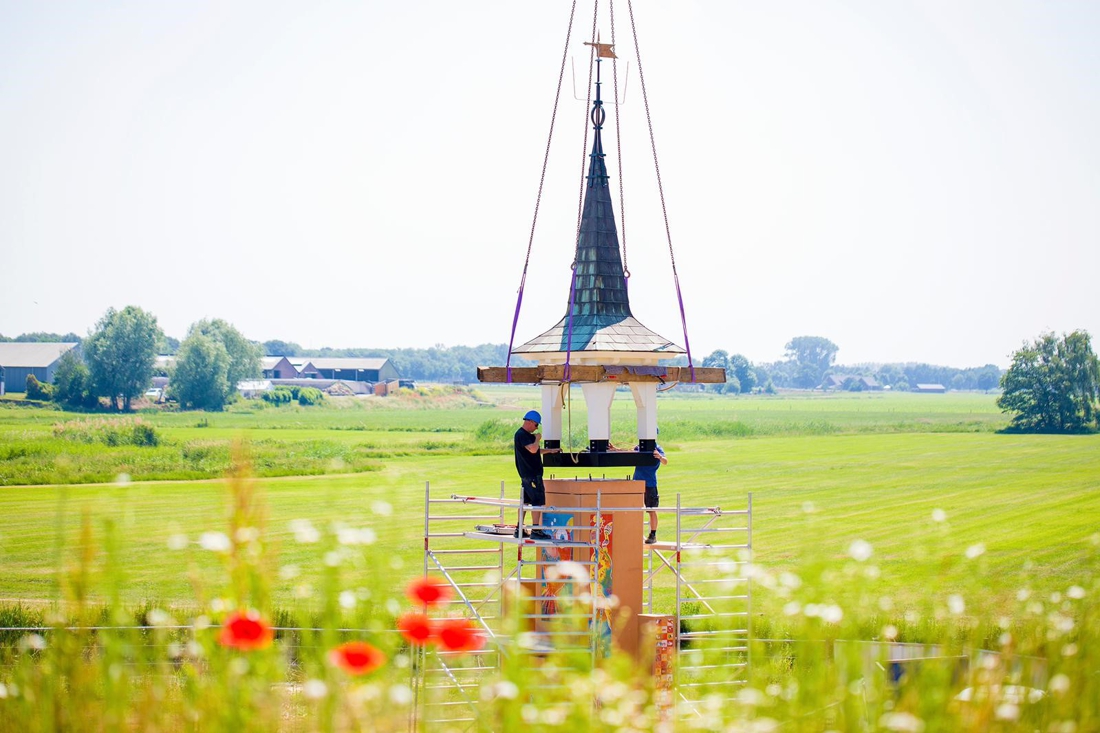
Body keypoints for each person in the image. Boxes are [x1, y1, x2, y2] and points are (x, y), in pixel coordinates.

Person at [514, 410, 558, 540]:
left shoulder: (524, 436)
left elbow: (534, 450)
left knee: (525, 502)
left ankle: (519, 528)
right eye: (536, 425)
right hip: (532, 475)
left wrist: (550, 451)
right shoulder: (523, 435)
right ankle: (536, 530)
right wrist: (538, 438)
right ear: (530, 422)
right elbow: (533, 449)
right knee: (537, 502)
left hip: (527, 475)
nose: (536, 428)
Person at [633, 430, 668, 544]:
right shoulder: (638, 448)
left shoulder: (658, 449)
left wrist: (659, 456)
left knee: (651, 510)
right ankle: (634, 533)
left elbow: (665, 461)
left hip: (650, 483)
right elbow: (628, 453)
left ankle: (653, 534)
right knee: (636, 510)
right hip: (637, 483)